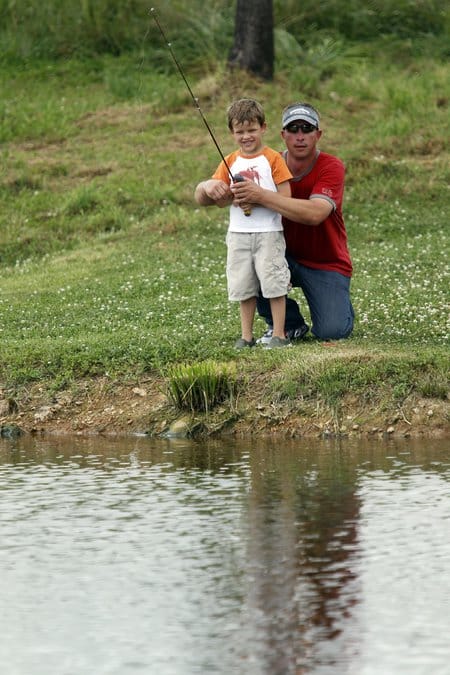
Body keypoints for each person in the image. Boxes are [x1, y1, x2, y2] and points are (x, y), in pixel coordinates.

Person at [230, 102, 354, 343]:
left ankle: (336, 304)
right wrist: (207, 189)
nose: (300, 136)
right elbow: (219, 192)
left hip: (325, 262)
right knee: (253, 259)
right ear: (282, 134)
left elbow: (315, 214)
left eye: (307, 129)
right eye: (293, 128)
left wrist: (260, 195)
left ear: (318, 134)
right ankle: (289, 325)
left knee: (332, 331)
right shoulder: (266, 162)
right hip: (280, 253)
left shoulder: (331, 166)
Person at [194, 98, 293, 349]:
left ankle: (279, 334)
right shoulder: (229, 162)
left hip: (269, 233)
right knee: (243, 285)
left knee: (273, 282)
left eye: (251, 130)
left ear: (263, 127)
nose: (246, 136)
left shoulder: (273, 159)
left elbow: (286, 199)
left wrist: (257, 198)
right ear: (232, 133)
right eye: (240, 131)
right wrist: (214, 189)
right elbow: (218, 200)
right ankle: (246, 337)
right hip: (238, 234)